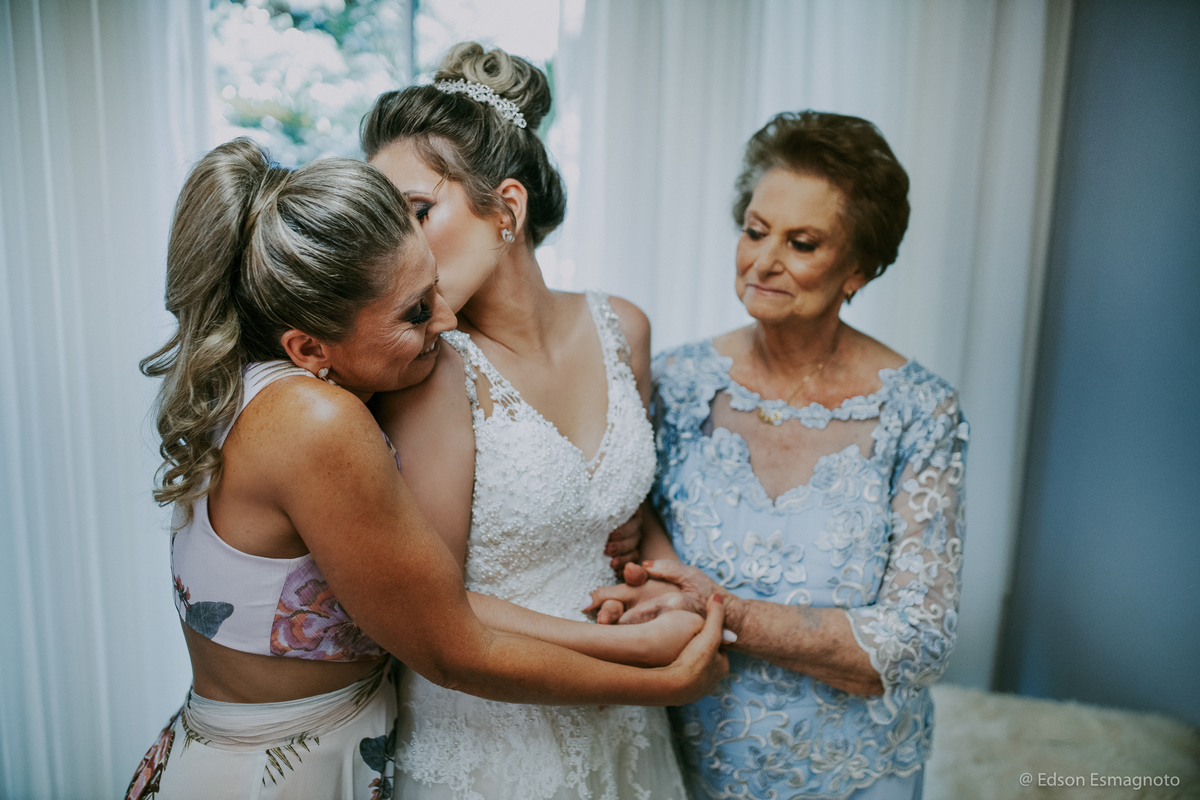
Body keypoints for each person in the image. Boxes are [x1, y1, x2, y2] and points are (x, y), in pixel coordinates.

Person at [125, 138, 728, 800]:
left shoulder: (260, 384)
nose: (446, 318)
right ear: (309, 347)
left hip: (305, 743)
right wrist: (660, 675)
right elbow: (449, 648)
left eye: (434, 288)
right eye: (415, 312)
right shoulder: (315, 420)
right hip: (279, 775)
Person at [588, 110, 968, 799]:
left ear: (858, 267)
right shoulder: (674, 382)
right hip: (687, 755)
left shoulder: (920, 411)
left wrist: (725, 613)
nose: (763, 261)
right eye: (755, 230)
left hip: (855, 773)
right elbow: (633, 534)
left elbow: (916, 642)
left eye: (802, 243)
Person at [361, 43, 698, 800]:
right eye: (385, 223)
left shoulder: (623, 328)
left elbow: (620, 517)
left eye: (418, 213)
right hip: (491, 736)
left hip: (625, 732)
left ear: (507, 208)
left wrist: (670, 585)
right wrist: (638, 650)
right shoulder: (431, 373)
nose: (397, 248)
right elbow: (436, 608)